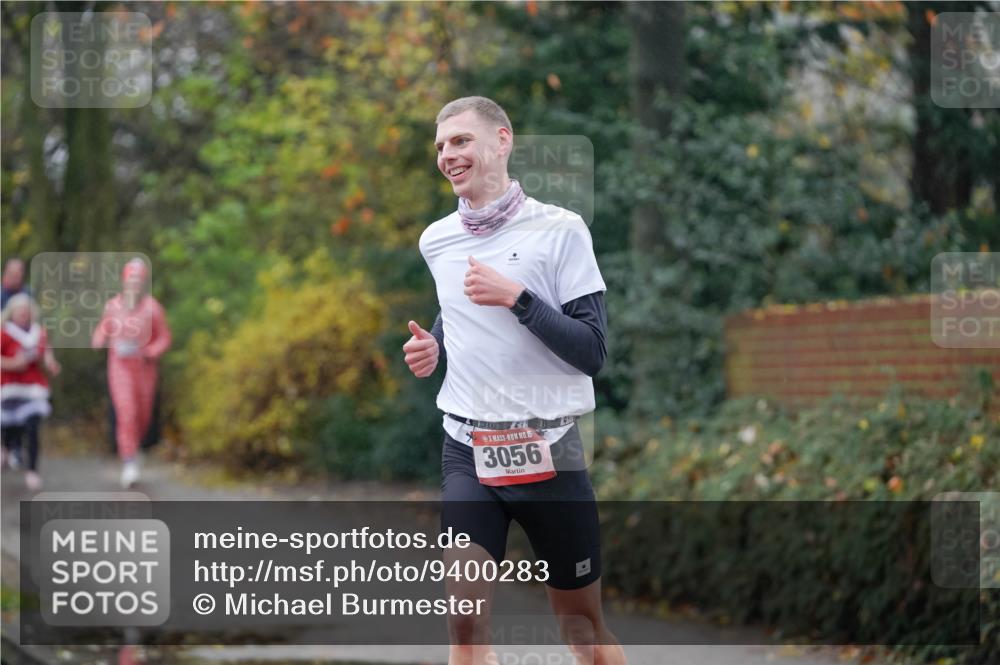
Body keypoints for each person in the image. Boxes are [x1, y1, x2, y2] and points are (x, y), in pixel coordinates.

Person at [404, 96, 625, 665]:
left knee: (581, 628)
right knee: (465, 623)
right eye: (440, 146)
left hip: (549, 451)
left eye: (460, 141)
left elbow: (593, 352)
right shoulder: (437, 239)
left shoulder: (561, 230)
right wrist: (436, 345)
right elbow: (456, 309)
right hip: (467, 448)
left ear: (501, 141)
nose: (447, 155)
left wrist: (520, 300)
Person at [91, 258, 171, 489]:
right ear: (124, 281)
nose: (135, 284)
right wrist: (98, 339)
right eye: (131, 279)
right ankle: (129, 461)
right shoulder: (113, 306)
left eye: (139, 280)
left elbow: (164, 337)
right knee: (126, 410)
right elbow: (103, 328)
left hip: (144, 368)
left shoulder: (153, 308)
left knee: (142, 414)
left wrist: (151, 351)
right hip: (120, 367)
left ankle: (135, 447)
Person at [1, 294, 60, 490]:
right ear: (12, 313)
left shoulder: (38, 333)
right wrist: (12, 364)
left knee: (32, 428)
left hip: (32, 389)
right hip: (9, 389)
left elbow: (47, 354)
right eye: (20, 311)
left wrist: (51, 364)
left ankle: (32, 471)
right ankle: (8, 450)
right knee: (11, 428)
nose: (24, 315)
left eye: (26, 311)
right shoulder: (4, 333)